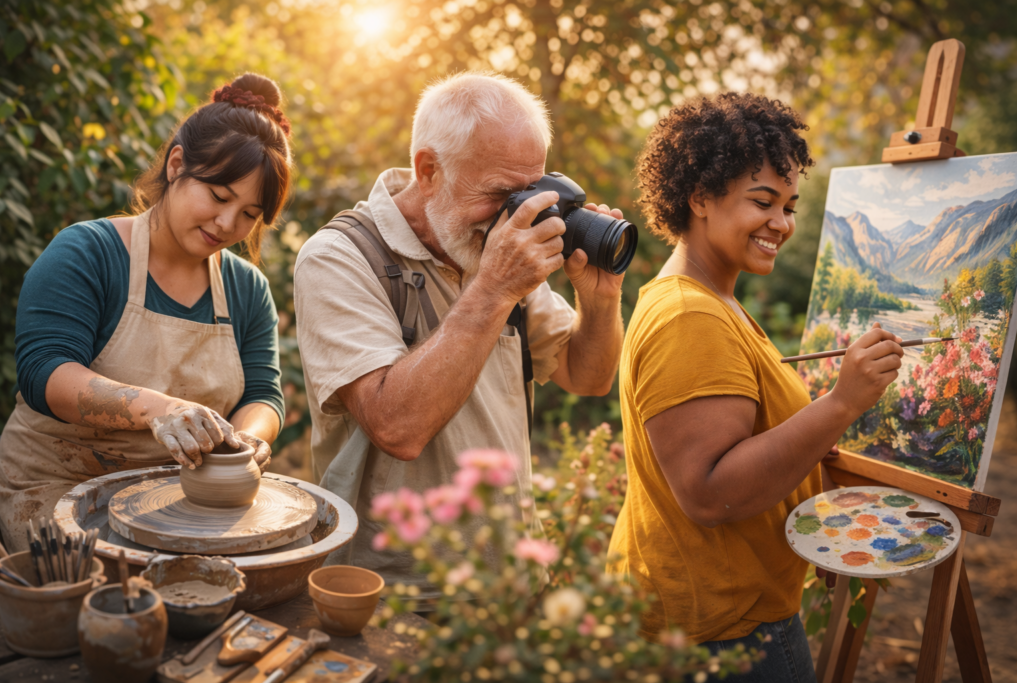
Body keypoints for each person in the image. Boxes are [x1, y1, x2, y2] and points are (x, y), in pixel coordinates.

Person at [294, 72, 625, 601]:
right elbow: (397, 427)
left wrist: (601, 299)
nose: (515, 213)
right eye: (498, 192)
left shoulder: (492, 248)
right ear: (428, 170)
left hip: (514, 587)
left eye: (527, 190)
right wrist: (494, 288)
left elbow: (589, 376)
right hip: (398, 597)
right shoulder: (340, 257)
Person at [606, 93, 903, 680]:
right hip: (724, 637)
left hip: (722, 617)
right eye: (763, 202)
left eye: (790, 205)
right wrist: (841, 402)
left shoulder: (712, 299)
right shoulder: (690, 316)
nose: (782, 224)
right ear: (699, 198)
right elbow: (711, 493)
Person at [0, 73, 293, 553]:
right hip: (57, 488)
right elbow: (43, 371)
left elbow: (263, 395)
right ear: (177, 165)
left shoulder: (246, 289)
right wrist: (162, 410)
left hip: (177, 498)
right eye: (218, 197)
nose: (227, 223)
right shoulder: (86, 252)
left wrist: (246, 440)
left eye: (248, 214)